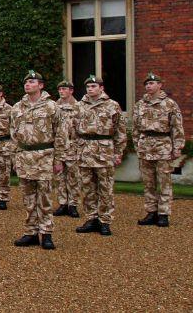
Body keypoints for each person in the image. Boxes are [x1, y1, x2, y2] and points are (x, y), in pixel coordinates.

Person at [9, 70, 68, 250]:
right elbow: (13, 134)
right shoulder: (17, 107)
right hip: (25, 157)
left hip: (44, 156)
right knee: (28, 198)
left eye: (32, 82)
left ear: (41, 85)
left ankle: (46, 233)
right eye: (26, 82)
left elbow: (61, 134)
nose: (28, 84)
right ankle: (31, 232)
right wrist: (14, 157)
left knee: (44, 198)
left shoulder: (52, 107)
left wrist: (59, 159)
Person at [72, 75, 126, 236]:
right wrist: (75, 149)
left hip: (104, 151)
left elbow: (120, 131)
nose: (90, 89)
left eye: (94, 86)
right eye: (88, 86)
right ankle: (91, 218)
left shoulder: (112, 106)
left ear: (101, 88)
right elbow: (72, 129)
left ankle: (105, 220)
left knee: (105, 188)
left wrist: (118, 152)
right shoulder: (79, 106)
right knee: (87, 187)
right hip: (84, 151)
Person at [133, 72, 185, 227]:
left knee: (164, 181)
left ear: (160, 85)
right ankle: (151, 212)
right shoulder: (140, 105)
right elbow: (135, 128)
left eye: (152, 83)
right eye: (147, 84)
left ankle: (163, 213)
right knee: (148, 182)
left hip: (163, 145)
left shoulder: (170, 104)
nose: (149, 86)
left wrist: (177, 147)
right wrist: (137, 145)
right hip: (145, 146)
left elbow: (177, 127)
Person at [53, 80, 82, 218]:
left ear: (71, 91)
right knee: (59, 178)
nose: (61, 91)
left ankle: (73, 204)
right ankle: (62, 203)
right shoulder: (54, 107)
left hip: (73, 148)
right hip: (58, 149)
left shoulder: (79, 107)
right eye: (60, 89)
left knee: (73, 178)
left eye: (64, 89)